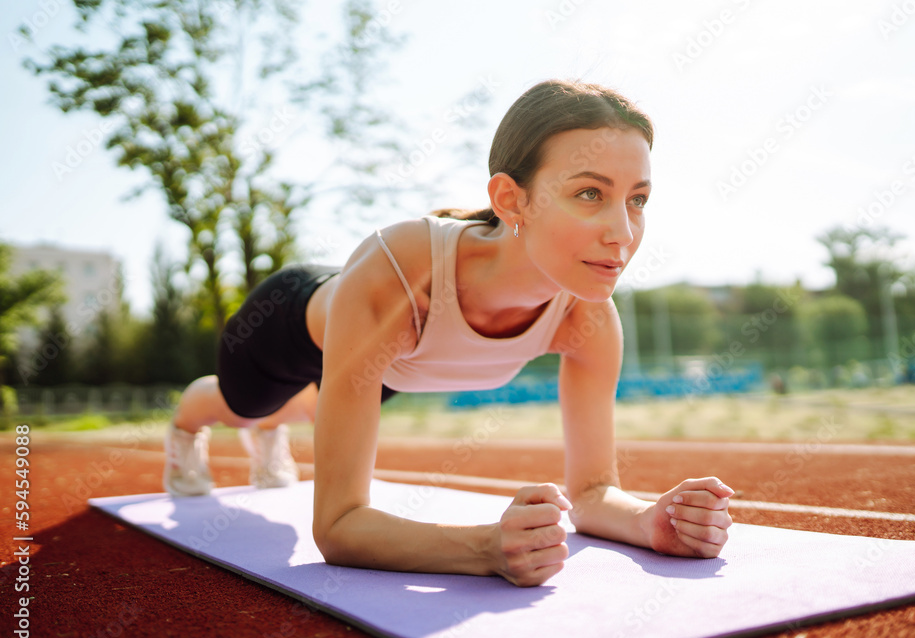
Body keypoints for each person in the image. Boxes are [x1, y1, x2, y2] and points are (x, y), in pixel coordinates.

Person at [163, 79, 734, 587]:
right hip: (291, 326)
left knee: (309, 412)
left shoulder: (588, 318)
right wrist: (485, 549)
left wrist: (648, 521)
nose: (623, 232)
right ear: (512, 199)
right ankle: (189, 426)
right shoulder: (400, 277)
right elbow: (337, 527)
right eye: (590, 194)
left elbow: (589, 495)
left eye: (637, 200)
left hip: (388, 362)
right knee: (243, 405)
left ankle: (272, 428)